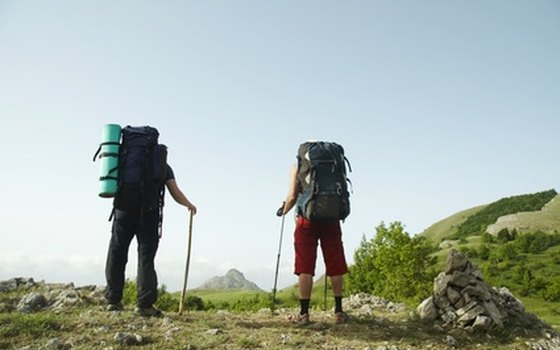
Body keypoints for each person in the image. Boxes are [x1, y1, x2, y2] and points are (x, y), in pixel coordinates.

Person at [104, 159, 197, 317]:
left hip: (123, 212)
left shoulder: (125, 159)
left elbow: (109, 181)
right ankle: (144, 305)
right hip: (149, 214)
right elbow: (175, 192)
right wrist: (189, 204)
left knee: (117, 253)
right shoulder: (161, 164)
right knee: (146, 258)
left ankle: (113, 301)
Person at [279, 162, 349, 325]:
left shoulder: (298, 166)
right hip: (331, 220)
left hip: (307, 221)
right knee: (335, 263)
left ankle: (304, 314)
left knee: (305, 266)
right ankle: (339, 312)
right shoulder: (334, 163)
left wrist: (283, 210)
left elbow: (292, 196)